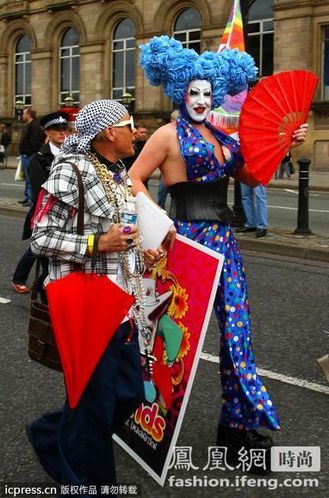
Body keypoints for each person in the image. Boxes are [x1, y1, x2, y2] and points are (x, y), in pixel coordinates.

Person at [129, 36, 308, 464]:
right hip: (183, 244)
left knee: (236, 333)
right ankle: (141, 412)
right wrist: (160, 222)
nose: (202, 99)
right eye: (194, 92)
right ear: (179, 92)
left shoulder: (223, 137)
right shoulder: (166, 135)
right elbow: (132, 179)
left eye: (209, 93)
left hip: (224, 243)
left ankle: (236, 426)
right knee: (168, 334)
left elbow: (251, 178)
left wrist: (287, 143)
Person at [27, 99, 160, 490]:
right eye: (129, 123)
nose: (136, 130)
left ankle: (51, 436)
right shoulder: (71, 170)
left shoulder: (116, 170)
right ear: (108, 133)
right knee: (97, 406)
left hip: (118, 300)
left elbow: (122, 230)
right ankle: (89, 482)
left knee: (129, 393)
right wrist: (96, 243)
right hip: (83, 299)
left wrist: (141, 247)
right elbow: (40, 237)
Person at [11, 112, 69, 295]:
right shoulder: (39, 158)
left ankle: (41, 285)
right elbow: (39, 193)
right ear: (47, 132)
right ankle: (28, 283)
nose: (62, 132)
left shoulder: (72, 154)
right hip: (46, 212)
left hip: (69, 213)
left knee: (50, 251)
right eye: (56, 129)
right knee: (40, 249)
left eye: (64, 128)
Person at [18, 107, 44, 206]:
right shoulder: (29, 125)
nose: (22, 116)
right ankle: (27, 197)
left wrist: (28, 152)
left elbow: (34, 142)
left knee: (31, 178)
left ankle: (30, 199)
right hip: (26, 155)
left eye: (24, 114)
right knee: (27, 178)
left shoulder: (35, 126)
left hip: (30, 155)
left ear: (29, 115)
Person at [157, 110, 180, 209]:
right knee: (162, 196)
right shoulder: (164, 133)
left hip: (176, 174)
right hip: (166, 173)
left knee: (176, 199)